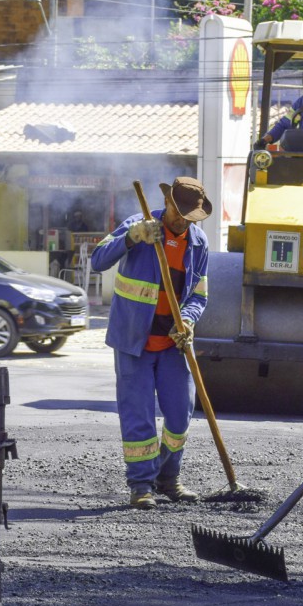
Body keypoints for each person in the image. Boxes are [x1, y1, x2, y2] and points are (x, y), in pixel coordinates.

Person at [90, 177, 212, 510]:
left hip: (174, 345)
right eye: (179, 212)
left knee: (180, 416)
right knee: (139, 418)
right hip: (134, 342)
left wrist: (188, 321)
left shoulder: (198, 243)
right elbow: (98, 260)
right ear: (167, 203)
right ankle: (141, 485)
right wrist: (132, 238)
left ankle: (168, 478)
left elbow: (199, 295)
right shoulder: (139, 225)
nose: (183, 221)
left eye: (190, 216)